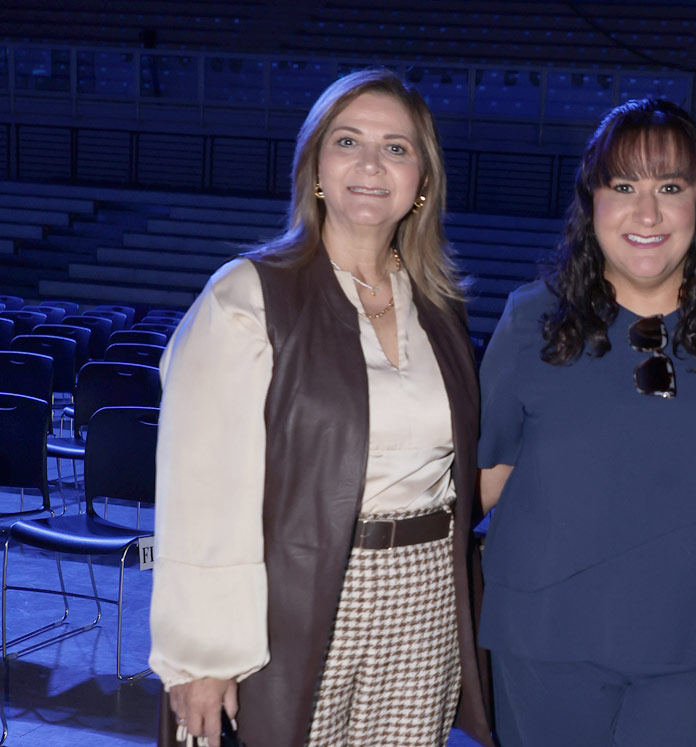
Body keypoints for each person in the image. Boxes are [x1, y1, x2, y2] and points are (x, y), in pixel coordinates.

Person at [149, 69, 493, 747]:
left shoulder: (439, 307)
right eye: (348, 141)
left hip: (425, 596)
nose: (371, 163)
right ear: (315, 168)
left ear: (422, 181)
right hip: (293, 597)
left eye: (396, 148)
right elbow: (202, 490)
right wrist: (202, 655)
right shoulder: (247, 295)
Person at [478, 98, 696, 746]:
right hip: (546, 640)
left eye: (669, 188)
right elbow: (488, 480)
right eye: (623, 187)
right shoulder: (531, 320)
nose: (646, 214)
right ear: (591, 200)